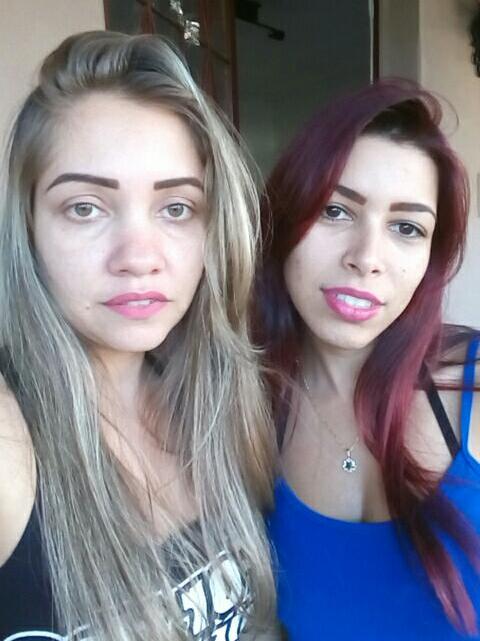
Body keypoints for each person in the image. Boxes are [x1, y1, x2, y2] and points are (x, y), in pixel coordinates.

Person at [0, 30, 277, 641]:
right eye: (85, 207)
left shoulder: (216, 406)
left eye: (176, 208)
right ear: (28, 228)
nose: (138, 257)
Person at [259, 80, 480, 640]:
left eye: (406, 227)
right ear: (285, 219)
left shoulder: (473, 385)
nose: (366, 258)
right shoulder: (245, 410)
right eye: (335, 210)